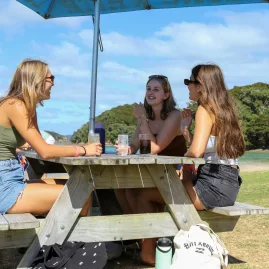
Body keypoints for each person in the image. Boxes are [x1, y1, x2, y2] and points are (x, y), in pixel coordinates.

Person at [0, 59, 102, 216]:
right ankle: (61, 239)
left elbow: (37, 143)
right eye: (51, 78)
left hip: (11, 177)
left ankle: (56, 237)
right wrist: (83, 149)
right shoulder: (15, 105)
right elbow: (45, 151)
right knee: (80, 195)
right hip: (4, 186)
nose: (53, 83)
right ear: (37, 80)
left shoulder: (26, 106)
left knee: (82, 187)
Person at [115, 74, 187, 266]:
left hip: (173, 178)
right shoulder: (145, 118)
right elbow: (135, 145)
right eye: (148, 88)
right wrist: (127, 149)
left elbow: (154, 149)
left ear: (166, 94)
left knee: (139, 193)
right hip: (151, 174)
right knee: (121, 189)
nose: (150, 92)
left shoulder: (174, 116)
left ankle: (148, 251)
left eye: (156, 89)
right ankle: (143, 242)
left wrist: (141, 118)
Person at [180, 63, 245, 211]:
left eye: (188, 81)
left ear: (200, 85)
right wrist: (185, 130)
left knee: (145, 194)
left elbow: (196, 152)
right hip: (227, 185)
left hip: (211, 187)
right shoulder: (223, 110)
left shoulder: (204, 110)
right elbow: (207, 147)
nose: (187, 85)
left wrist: (183, 162)